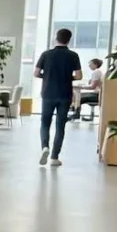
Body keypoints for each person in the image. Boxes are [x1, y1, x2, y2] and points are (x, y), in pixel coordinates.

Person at [35, 28, 82, 166]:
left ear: (56, 38)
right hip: (64, 94)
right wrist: (67, 77)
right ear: (69, 40)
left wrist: (48, 76)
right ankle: (54, 157)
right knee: (60, 125)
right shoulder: (73, 55)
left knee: (45, 123)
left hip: (48, 93)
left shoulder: (46, 54)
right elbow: (79, 76)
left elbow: (36, 73)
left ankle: (45, 147)